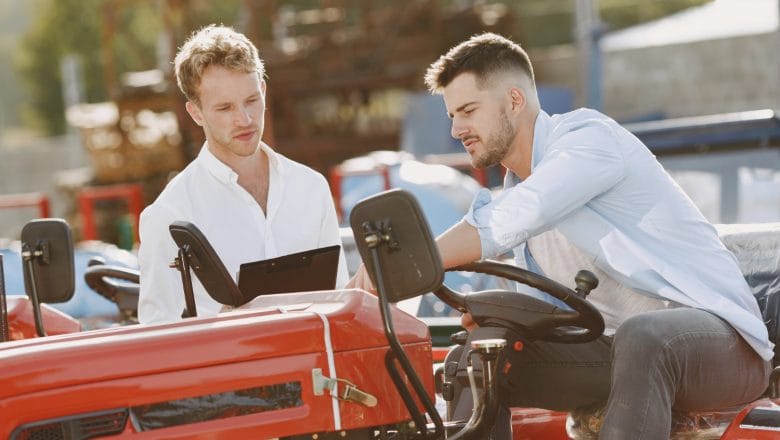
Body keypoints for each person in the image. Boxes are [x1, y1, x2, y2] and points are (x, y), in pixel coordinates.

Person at [348, 32, 773, 439]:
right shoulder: (517, 194)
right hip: (615, 352)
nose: (457, 129)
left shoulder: (589, 143)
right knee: (477, 356)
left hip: (723, 348)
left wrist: (409, 262)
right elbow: (549, 311)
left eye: (469, 110)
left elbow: (511, 217)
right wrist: (500, 318)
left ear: (514, 100)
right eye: (452, 115)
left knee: (645, 336)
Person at [138, 25, 347, 324]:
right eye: (225, 108)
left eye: (251, 100)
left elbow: (337, 302)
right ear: (196, 113)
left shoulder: (310, 187)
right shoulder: (170, 215)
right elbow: (156, 334)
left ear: (262, 89)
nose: (245, 119)